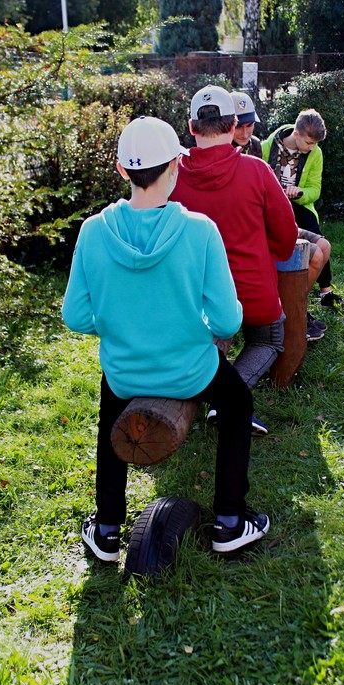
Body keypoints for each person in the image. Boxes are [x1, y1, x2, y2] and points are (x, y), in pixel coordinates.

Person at [62, 116, 270, 561]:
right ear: (177, 165)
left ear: (122, 170)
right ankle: (230, 522)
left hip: (125, 374)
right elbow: (227, 321)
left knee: (110, 412)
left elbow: (75, 316)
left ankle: (107, 529)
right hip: (191, 371)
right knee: (238, 403)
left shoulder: (93, 231)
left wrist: (119, 327)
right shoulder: (200, 230)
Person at [171, 85, 298, 434]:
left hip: (194, 296)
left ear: (192, 127)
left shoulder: (172, 175)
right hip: (252, 292)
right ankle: (229, 398)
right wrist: (271, 252)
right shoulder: (257, 170)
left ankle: (213, 393)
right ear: (232, 126)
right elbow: (286, 235)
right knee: (268, 338)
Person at [231, 92, 328, 341]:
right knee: (311, 253)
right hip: (251, 226)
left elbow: (308, 189)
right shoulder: (262, 147)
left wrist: (297, 196)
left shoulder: (254, 145)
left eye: (250, 125)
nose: (245, 132)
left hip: (275, 215)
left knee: (322, 248)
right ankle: (291, 312)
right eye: (239, 126)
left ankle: (294, 308)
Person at [262, 109, 344, 311]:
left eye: (315, 144)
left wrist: (300, 193)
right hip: (270, 207)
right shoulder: (267, 147)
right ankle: (287, 297)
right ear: (296, 134)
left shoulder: (315, 153)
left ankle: (323, 292)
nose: (312, 148)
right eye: (309, 143)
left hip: (299, 204)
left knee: (317, 234)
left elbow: (315, 190)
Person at [230, 90, 263, 158]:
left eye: (249, 125)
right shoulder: (216, 149)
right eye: (238, 127)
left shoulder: (255, 145)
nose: (245, 135)